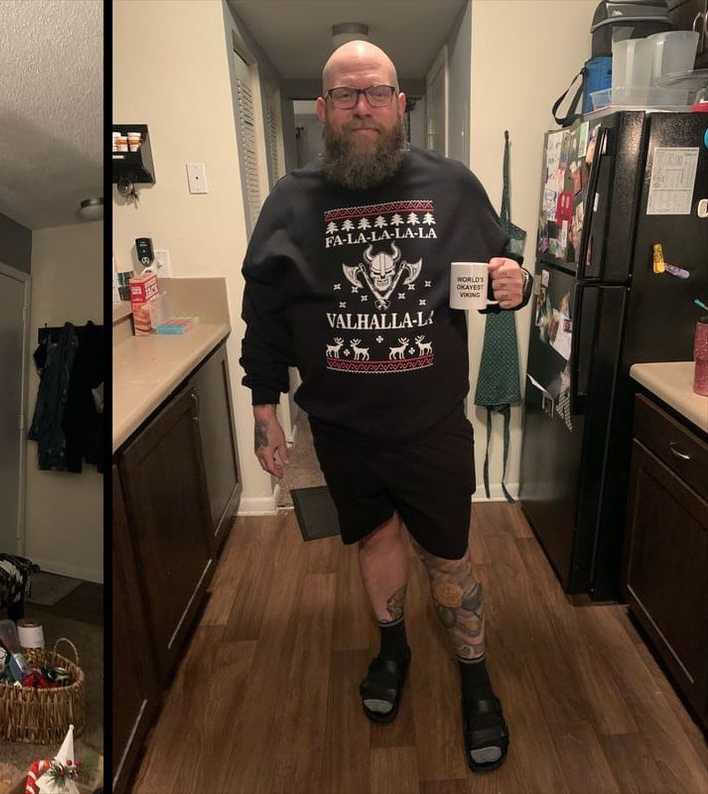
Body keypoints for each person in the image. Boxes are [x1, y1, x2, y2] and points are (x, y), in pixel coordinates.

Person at [239, 41, 531, 773]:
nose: (362, 106)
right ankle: (393, 650)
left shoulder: (452, 185)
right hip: (341, 430)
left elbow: (504, 270)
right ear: (324, 109)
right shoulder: (290, 198)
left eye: (376, 92)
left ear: (401, 104)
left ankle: (475, 677)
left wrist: (514, 284)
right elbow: (266, 312)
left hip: (430, 426)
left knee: (450, 556)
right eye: (346, 95)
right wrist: (264, 405)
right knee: (374, 540)